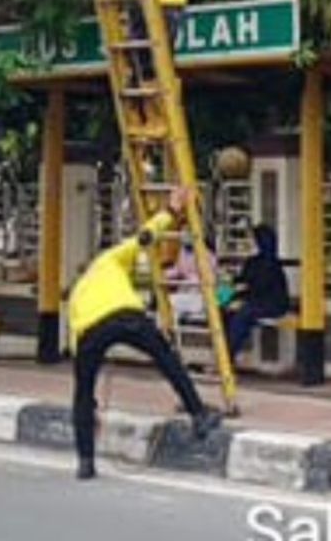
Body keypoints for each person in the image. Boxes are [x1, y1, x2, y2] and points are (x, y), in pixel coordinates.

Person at [68, 186, 221, 481]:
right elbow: (145, 237)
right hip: (126, 315)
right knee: (166, 358)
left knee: (82, 393)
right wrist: (173, 210)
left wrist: (91, 406)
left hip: (88, 331)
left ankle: (85, 462)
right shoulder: (110, 259)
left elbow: (77, 345)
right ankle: (198, 414)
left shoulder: (77, 294)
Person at [225, 224, 291, 362]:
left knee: (243, 313)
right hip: (253, 302)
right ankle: (224, 354)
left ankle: (226, 359)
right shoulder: (252, 262)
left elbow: (256, 288)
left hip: (272, 304)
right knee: (225, 311)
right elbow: (239, 283)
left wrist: (240, 299)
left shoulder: (271, 264)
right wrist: (222, 298)